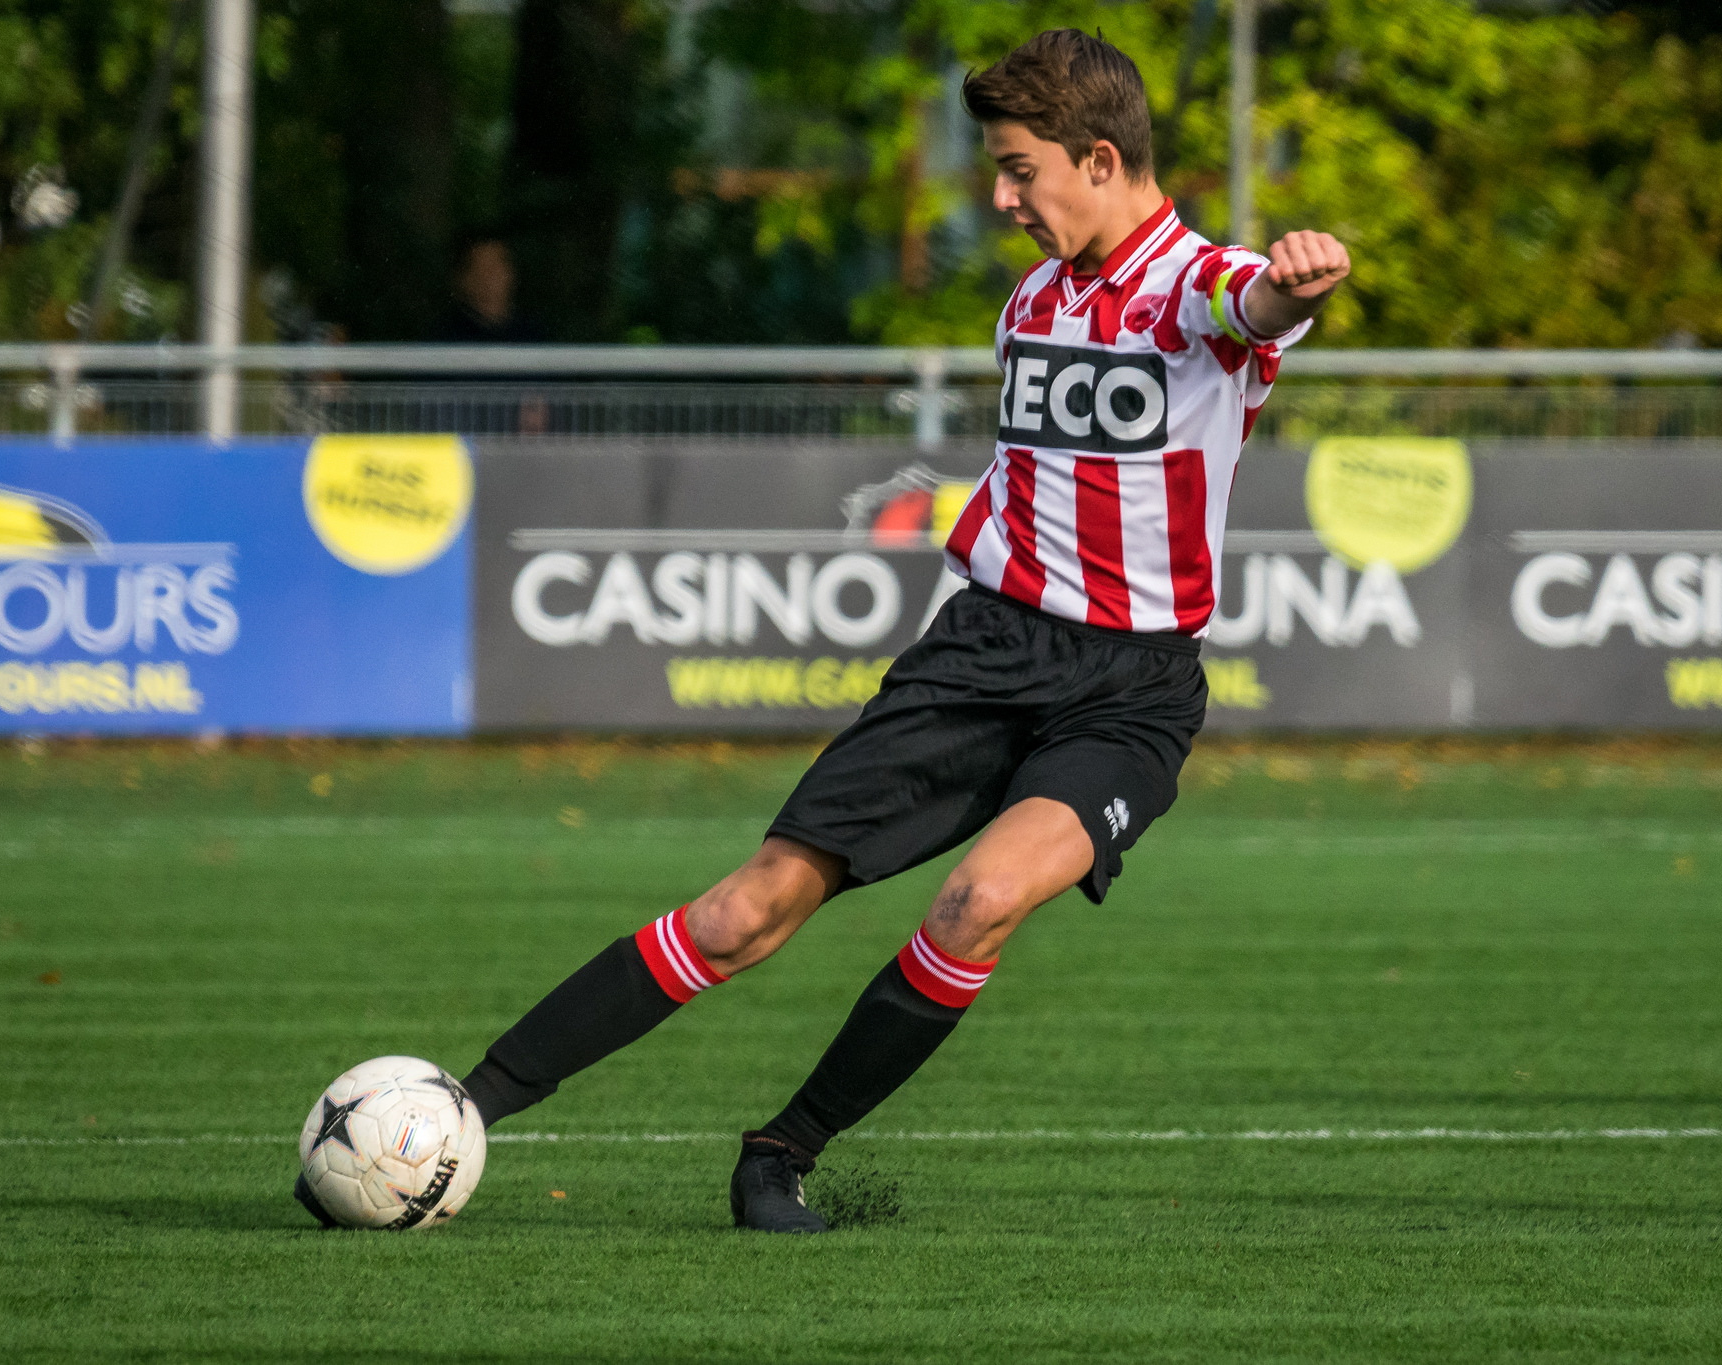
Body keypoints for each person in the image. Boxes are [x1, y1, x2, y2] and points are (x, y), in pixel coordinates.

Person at [303, 27, 1350, 1234]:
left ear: (1100, 160)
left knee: (977, 901)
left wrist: (1297, 277)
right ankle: (458, 1113)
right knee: (740, 914)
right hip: (981, 654)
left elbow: (1252, 302)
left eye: (1018, 171)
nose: (1000, 199)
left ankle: (780, 1153)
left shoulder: (1198, 289)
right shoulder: (1032, 298)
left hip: (1129, 693)